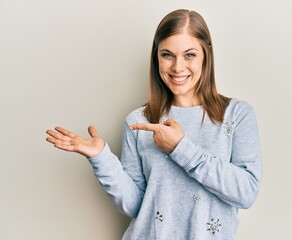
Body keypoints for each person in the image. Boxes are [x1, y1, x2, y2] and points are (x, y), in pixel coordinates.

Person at [46, 9, 262, 239]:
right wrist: (101, 158)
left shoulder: (237, 115)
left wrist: (180, 148)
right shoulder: (139, 121)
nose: (178, 67)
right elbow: (135, 205)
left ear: (206, 55)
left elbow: (246, 192)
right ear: (156, 57)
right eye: (167, 55)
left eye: (189, 55)